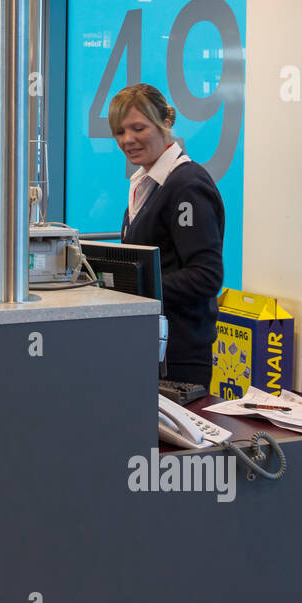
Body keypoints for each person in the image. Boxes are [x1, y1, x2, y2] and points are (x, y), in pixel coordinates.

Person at [109, 83, 224, 390]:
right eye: (120, 132)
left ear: (166, 123)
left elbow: (206, 276)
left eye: (138, 128)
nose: (127, 140)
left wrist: (133, 286)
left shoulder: (186, 185)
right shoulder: (143, 184)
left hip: (179, 354)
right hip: (149, 346)